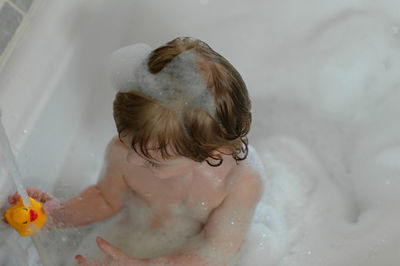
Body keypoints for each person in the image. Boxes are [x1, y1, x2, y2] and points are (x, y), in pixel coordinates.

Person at [8, 37, 262, 266]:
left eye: (153, 160)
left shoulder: (239, 182)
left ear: (212, 154)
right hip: (139, 234)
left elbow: (217, 253)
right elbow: (106, 198)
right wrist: (56, 214)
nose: (130, 159)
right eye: (126, 142)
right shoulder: (128, 152)